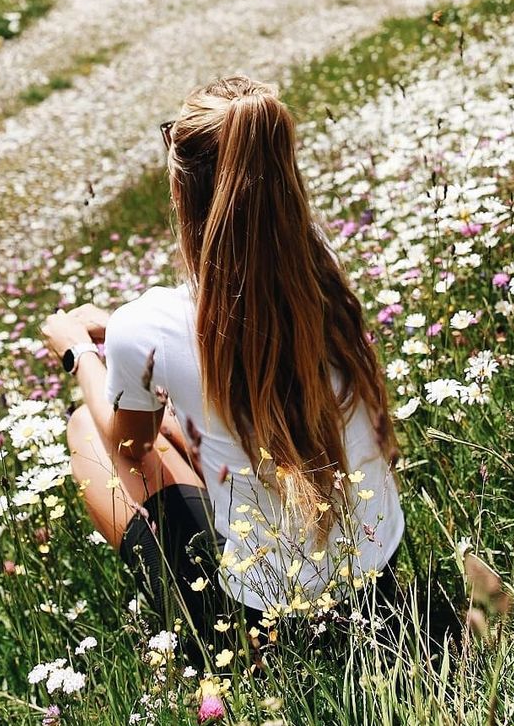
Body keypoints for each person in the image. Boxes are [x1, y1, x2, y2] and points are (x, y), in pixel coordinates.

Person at [41, 74, 453, 661]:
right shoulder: (318, 269)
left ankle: (206, 628)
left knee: (89, 426)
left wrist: (78, 350)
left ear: (184, 183)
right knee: (184, 429)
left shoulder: (151, 325)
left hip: (264, 619)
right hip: (380, 585)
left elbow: (126, 450)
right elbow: (220, 341)